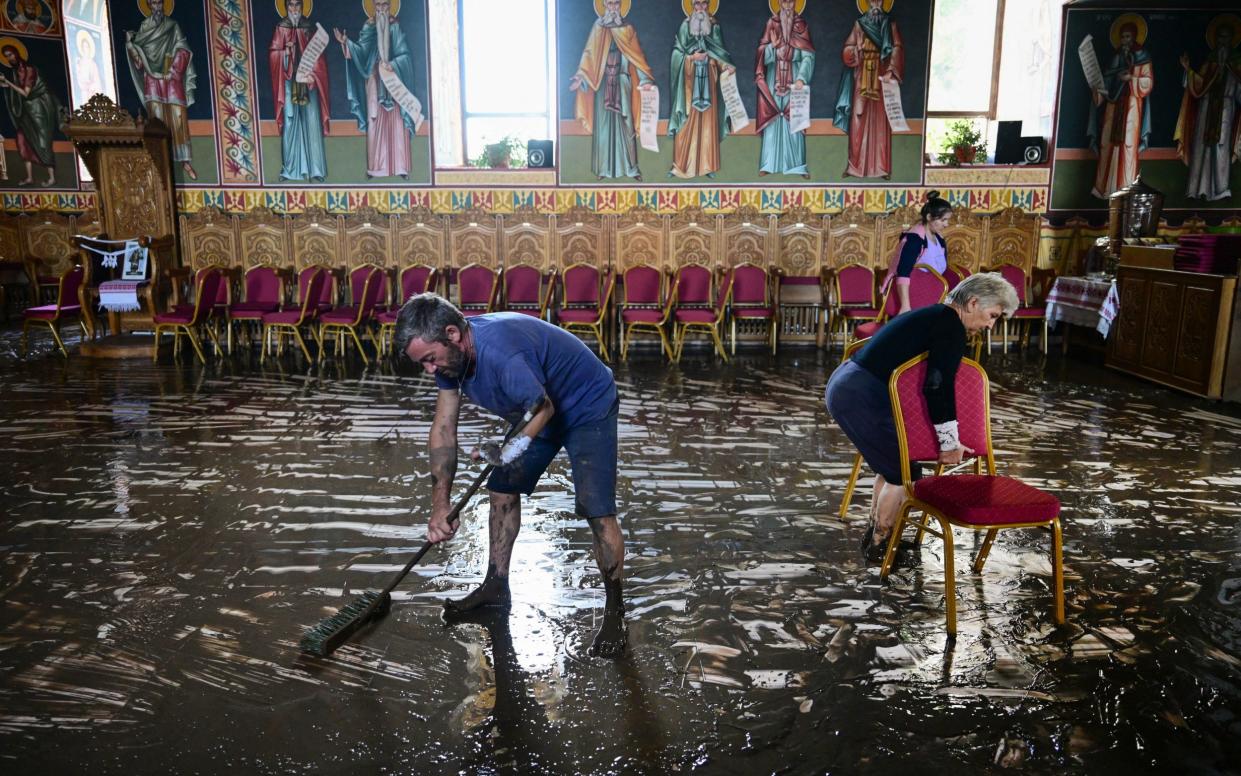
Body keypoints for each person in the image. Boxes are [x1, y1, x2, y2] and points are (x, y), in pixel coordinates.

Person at [397, 294, 627, 658]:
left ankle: (616, 610)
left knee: (596, 509)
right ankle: (496, 585)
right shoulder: (450, 361)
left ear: (453, 334)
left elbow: (543, 407)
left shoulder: (501, 355)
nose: (430, 370)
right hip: (537, 406)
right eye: (423, 364)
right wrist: (439, 505)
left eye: (430, 359)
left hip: (586, 406)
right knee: (501, 488)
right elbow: (443, 429)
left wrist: (508, 452)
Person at [825, 272, 1018, 562]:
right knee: (904, 474)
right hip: (860, 394)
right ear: (973, 302)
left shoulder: (938, 315)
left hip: (850, 384)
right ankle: (880, 547)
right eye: (992, 315)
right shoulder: (951, 327)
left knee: (895, 467)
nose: (990, 325)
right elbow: (937, 387)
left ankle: (877, 539)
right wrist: (949, 443)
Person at [334, 0, 424, 179]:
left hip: (394, 83)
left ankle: (401, 167)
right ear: (373, 7)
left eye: (385, 5)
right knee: (375, 122)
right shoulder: (368, 27)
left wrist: (393, 64)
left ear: (390, 6)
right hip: (375, 82)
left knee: (398, 122)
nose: (381, 10)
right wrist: (347, 44)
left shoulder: (395, 27)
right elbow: (361, 52)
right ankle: (376, 168)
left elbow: (405, 55)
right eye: (378, 6)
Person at [569, 0, 655, 181]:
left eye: (616, 3)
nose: (613, 7)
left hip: (623, 82)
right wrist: (581, 77)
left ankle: (632, 169)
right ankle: (603, 169)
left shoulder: (627, 29)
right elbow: (589, 55)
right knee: (604, 129)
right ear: (605, 5)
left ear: (620, 6)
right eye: (609, 3)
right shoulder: (598, 27)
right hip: (602, 84)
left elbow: (637, 56)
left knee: (626, 126)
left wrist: (646, 79)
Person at [125, 0, 198, 180]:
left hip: (171, 78)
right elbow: (140, 59)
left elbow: (183, 49)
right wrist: (130, 46)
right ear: (149, 5)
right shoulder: (144, 28)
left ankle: (185, 161)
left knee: (178, 116)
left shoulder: (172, 26)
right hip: (152, 80)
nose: (157, 7)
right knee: (156, 118)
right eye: (154, 3)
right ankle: (160, 161)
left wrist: (173, 70)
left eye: (159, 2)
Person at [834, 0, 904, 179]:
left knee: (881, 120)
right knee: (858, 118)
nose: (875, 3)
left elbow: (897, 48)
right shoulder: (859, 24)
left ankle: (882, 168)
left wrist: (890, 71)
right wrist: (855, 50)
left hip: (882, 77)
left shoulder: (890, 24)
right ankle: (854, 166)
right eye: (872, 0)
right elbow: (847, 48)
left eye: (879, 0)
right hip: (862, 75)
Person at [668, 0, 736, 179]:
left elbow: (720, 52)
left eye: (704, 4)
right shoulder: (685, 26)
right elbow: (676, 55)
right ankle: (680, 165)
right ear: (691, 5)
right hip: (688, 83)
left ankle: (707, 165)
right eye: (696, 4)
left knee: (707, 124)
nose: (700, 8)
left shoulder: (714, 27)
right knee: (686, 122)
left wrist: (726, 66)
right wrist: (691, 58)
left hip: (709, 81)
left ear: (708, 5)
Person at [1175, 18, 1241, 201]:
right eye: (1220, 37)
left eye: (1226, 38)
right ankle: (1197, 189)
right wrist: (1188, 69)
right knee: (1201, 147)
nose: (1223, 41)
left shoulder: (1236, 63)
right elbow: (1199, 83)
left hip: (1226, 108)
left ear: (1232, 40)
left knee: (1221, 147)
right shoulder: (1210, 61)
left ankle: (1221, 190)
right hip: (1207, 107)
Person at [1087, 20, 1153, 199]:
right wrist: (1098, 91)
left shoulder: (1142, 57)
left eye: (1128, 37)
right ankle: (1103, 189)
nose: (1125, 40)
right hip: (1113, 107)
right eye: (1122, 37)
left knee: (1128, 147)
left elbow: (1147, 84)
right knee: (1107, 145)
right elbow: (1106, 84)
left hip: (1131, 107)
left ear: (1134, 38)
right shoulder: (1115, 58)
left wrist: (1131, 78)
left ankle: (1126, 189)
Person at [270, 0, 330, 182]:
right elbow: (273, 54)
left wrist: (314, 74)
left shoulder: (308, 27)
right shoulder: (281, 28)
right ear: (286, 7)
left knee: (312, 122)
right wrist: (285, 55)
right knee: (290, 122)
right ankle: (290, 169)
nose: (294, 9)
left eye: (298, 5)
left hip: (308, 83)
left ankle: (316, 170)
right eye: (291, 5)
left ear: (303, 7)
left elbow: (318, 56)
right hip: (288, 83)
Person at [755, 0, 815, 177]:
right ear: (779, 3)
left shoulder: (801, 25)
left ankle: (797, 164)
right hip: (774, 77)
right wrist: (773, 48)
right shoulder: (771, 24)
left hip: (794, 77)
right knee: (773, 118)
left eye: (791, 1)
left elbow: (809, 55)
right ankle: (769, 163)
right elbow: (761, 53)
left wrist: (801, 78)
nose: (788, 5)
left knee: (794, 118)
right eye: (784, 1)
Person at [880, 191, 952, 315]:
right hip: (913, 299)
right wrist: (905, 306)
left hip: (932, 298)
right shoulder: (914, 239)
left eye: (947, 220)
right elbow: (903, 273)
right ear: (929, 217)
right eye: (943, 220)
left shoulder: (940, 239)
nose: (946, 224)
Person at [0, 43, 61, 187]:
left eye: (11, 54)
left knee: (42, 141)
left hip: (39, 109)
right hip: (26, 111)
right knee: (22, 140)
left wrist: (7, 82)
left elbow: (25, 93)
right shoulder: (16, 71)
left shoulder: (29, 69)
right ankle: (29, 177)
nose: (9, 58)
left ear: (16, 53)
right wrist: (6, 85)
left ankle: (52, 178)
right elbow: (17, 91)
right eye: (6, 56)